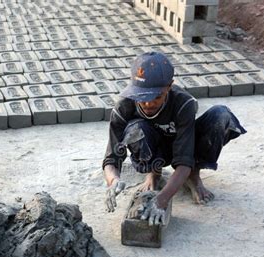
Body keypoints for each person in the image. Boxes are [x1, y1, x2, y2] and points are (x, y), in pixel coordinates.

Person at [103, 52, 246, 225]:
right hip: (151, 146)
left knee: (221, 115)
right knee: (136, 129)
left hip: (182, 146)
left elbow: (184, 159)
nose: (148, 103)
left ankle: (193, 175)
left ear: (169, 86)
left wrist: (161, 200)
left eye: (156, 96)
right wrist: (113, 181)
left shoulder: (183, 104)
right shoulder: (123, 108)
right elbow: (111, 159)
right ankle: (153, 173)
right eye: (142, 97)